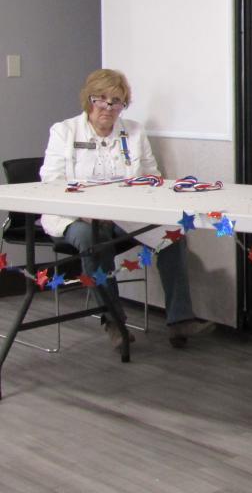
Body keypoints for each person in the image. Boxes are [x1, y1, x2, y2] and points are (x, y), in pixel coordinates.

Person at [39, 69, 213, 350]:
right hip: (75, 216)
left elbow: (152, 176)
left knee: (172, 234)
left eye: (116, 102)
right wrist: (85, 209)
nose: (108, 108)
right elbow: (51, 181)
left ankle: (180, 319)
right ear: (89, 99)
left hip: (124, 214)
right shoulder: (64, 131)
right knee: (92, 239)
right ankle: (114, 322)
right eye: (102, 100)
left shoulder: (133, 132)